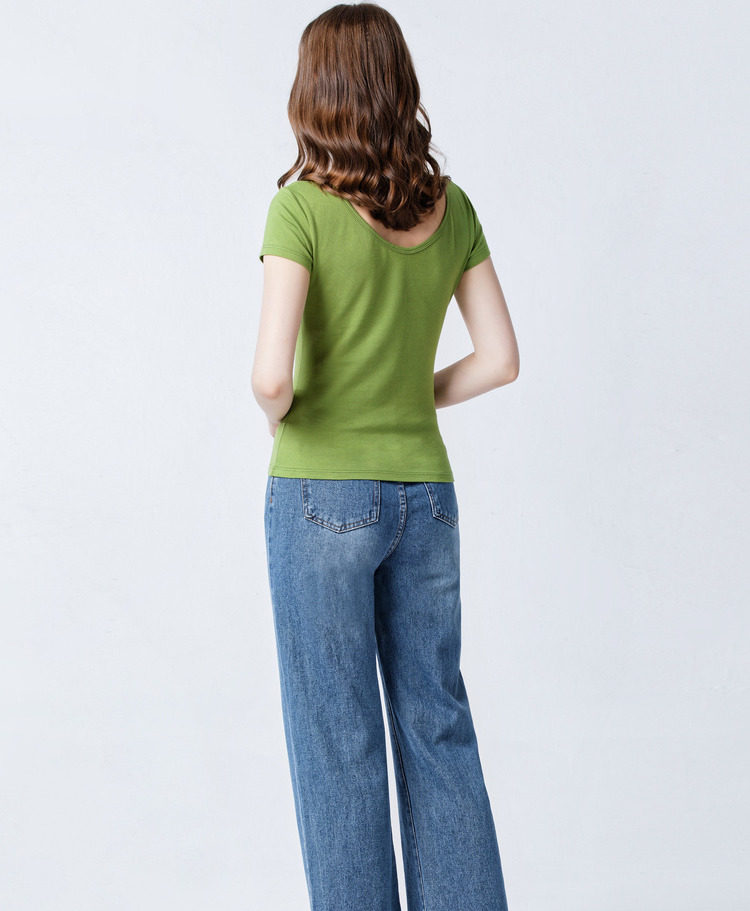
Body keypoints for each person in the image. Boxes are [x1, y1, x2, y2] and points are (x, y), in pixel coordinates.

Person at [252, 4, 519, 909]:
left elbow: (269, 377)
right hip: (427, 497)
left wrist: (287, 414)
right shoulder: (452, 208)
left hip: (319, 494)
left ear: (315, 92)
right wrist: (410, 396)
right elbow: (500, 359)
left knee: (338, 741)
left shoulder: (299, 209)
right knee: (437, 725)